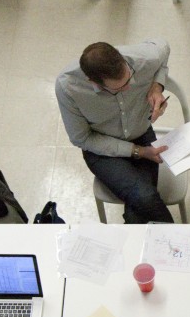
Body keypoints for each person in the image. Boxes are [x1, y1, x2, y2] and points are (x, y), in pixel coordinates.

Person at [55, 40, 174, 224]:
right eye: (118, 88)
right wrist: (139, 151)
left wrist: (157, 86)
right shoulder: (68, 87)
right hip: (101, 148)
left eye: (129, 78)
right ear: (94, 83)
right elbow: (82, 138)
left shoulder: (143, 57)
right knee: (145, 197)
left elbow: (164, 47)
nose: (128, 87)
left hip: (141, 133)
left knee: (139, 210)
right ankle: (179, 240)